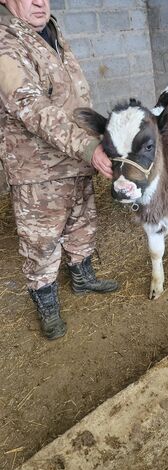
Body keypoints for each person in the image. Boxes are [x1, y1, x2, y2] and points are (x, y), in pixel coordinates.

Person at [0, 0, 119, 340]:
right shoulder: (6, 42)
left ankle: (82, 277)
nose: (40, 2)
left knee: (81, 221)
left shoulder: (50, 31)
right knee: (42, 239)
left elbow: (72, 97)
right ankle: (46, 302)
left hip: (75, 159)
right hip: (37, 168)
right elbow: (32, 107)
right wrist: (87, 147)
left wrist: (95, 142)